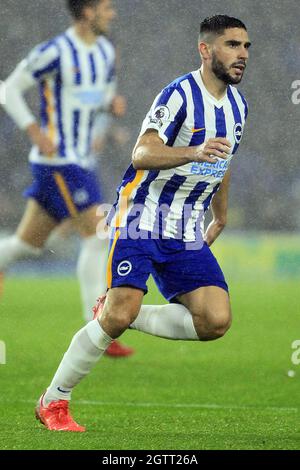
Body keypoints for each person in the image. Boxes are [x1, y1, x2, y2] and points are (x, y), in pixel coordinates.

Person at [35, 15, 251, 432]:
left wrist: (219, 214)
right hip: (140, 215)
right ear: (205, 50)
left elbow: (223, 162)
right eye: (231, 45)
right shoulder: (179, 95)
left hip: (187, 227)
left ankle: (123, 313)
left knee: (215, 321)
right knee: (113, 317)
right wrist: (192, 150)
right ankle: (54, 401)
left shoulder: (240, 106)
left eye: (245, 47)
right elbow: (141, 153)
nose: (241, 55)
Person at [0, 0, 134, 357]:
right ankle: (98, 330)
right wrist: (34, 130)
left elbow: (99, 96)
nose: (113, 13)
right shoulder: (54, 51)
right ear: (88, 12)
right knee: (96, 234)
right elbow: (8, 90)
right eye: (106, 7)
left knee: (28, 246)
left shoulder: (104, 51)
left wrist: (110, 105)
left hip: (81, 160)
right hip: (57, 160)